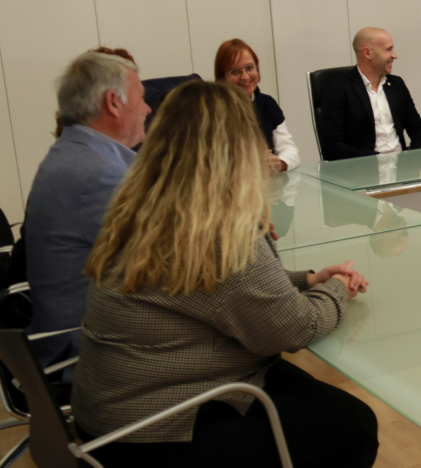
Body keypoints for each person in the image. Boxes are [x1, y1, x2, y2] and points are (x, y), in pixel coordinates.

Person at [72, 80, 377, 468]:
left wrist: (309, 281)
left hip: (108, 416)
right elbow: (293, 329)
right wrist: (336, 288)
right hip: (157, 431)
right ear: (239, 148)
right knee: (354, 427)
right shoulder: (218, 229)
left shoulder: (142, 207)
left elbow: (212, 291)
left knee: (309, 395)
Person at [24, 51, 151, 369]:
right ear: (113, 102)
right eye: (142, 97)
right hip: (86, 354)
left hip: (70, 336)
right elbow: (167, 261)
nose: (148, 108)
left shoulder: (73, 152)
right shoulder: (98, 173)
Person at [319, 27, 421, 160]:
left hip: (403, 170)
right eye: (388, 49)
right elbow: (331, 146)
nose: (395, 55)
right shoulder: (338, 89)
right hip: (363, 172)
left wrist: (413, 159)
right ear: (367, 53)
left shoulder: (396, 84)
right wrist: (378, 161)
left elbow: (418, 129)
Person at [215, 38, 300, 172]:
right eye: (235, 71)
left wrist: (280, 163)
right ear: (222, 77)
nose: (245, 77)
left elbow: (289, 149)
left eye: (249, 68)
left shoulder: (267, 103)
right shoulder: (212, 109)